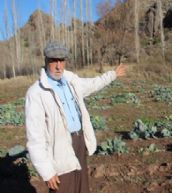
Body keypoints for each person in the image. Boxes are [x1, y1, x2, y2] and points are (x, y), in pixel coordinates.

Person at [25, 41, 126, 193]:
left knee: (81, 186)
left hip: (79, 141)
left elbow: (93, 84)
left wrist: (112, 75)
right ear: (46, 61)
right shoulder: (36, 93)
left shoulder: (71, 81)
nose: (59, 66)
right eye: (54, 61)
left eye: (62, 61)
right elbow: (35, 138)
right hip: (59, 149)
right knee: (63, 188)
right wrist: (47, 172)